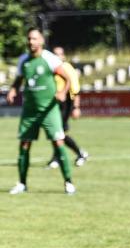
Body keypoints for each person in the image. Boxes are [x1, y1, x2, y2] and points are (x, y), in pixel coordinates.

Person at [6, 27, 76, 194]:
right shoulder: (24, 60)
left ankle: (68, 182)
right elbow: (19, 79)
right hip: (29, 111)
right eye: (29, 38)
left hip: (49, 110)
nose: (31, 42)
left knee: (58, 142)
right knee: (24, 145)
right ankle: (22, 183)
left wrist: (62, 92)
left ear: (41, 41)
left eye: (34, 39)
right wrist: (13, 89)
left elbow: (67, 78)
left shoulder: (49, 59)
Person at [46, 46, 89, 169]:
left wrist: (76, 107)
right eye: (54, 54)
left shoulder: (67, 68)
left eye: (59, 54)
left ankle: (80, 153)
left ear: (63, 56)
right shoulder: (52, 68)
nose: (56, 57)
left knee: (58, 132)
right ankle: (58, 158)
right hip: (55, 103)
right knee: (57, 132)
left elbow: (75, 89)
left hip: (66, 103)